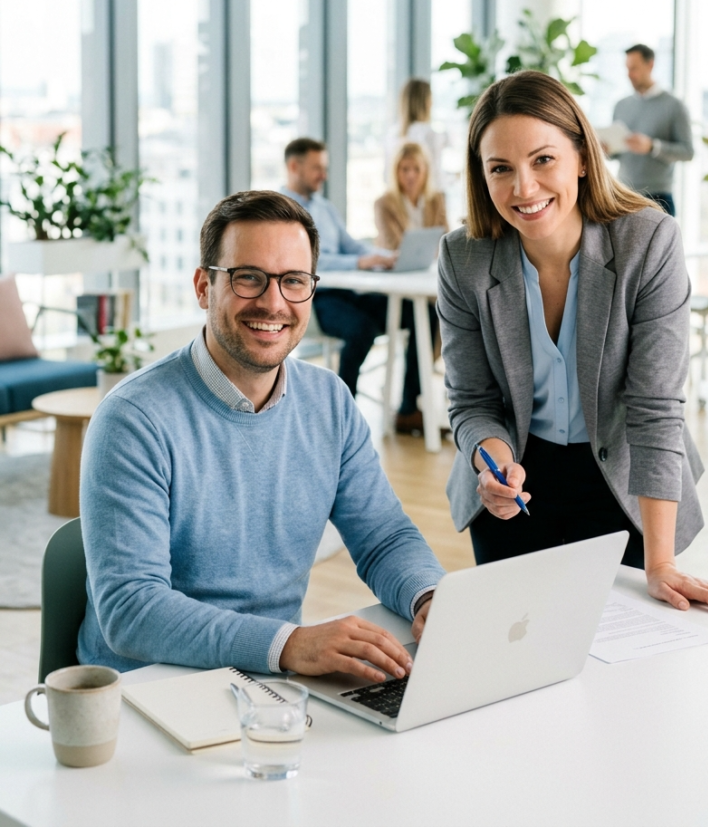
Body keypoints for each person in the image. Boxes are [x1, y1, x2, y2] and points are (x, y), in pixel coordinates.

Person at [78, 190, 444, 681]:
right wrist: (290, 643)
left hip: (271, 679)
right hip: (151, 687)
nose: (273, 303)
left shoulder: (329, 401)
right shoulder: (132, 419)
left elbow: (383, 536)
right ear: (204, 287)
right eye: (248, 277)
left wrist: (430, 596)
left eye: (293, 281)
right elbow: (132, 610)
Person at [437, 70, 708, 617]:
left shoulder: (647, 240)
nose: (523, 188)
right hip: (515, 487)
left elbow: (654, 409)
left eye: (543, 160)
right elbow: (472, 402)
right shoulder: (463, 258)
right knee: (518, 644)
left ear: (582, 156)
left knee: (629, 651)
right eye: (500, 168)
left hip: (623, 483)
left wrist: (661, 563)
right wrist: (494, 466)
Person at [282, 137, 427, 435]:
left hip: (347, 292)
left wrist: (386, 256)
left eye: (324, 168)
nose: (324, 175)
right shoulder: (281, 210)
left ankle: (408, 409)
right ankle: (339, 421)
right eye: (317, 168)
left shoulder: (324, 207)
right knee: (360, 329)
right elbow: (305, 260)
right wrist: (359, 263)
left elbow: (351, 246)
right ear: (294, 166)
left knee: (418, 312)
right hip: (314, 299)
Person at [610, 43, 693, 216]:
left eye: (634, 68)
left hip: (658, 197)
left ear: (650, 65)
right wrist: (606, 149)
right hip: (623, 195)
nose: (629, 74)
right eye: (627, 69)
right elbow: (617, 153)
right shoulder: (621, 105)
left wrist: (652, 147)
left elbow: (687, 152)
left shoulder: (674, 106)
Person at [374, 141, 448, 251]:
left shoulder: (436, 200)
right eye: (405, 169)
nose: (411, 175)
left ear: (426, 171)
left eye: (417, 169)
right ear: (396, 171)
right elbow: (393, 246)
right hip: (397, 261)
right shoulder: (384, 204)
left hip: (432, 261)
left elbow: (446, 239)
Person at [384, 78, 446, 192]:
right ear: (426, 103)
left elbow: (387, 176)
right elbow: (436, 179)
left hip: (398, 197)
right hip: (425, 198)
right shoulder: (430, 134)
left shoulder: (392, 134)